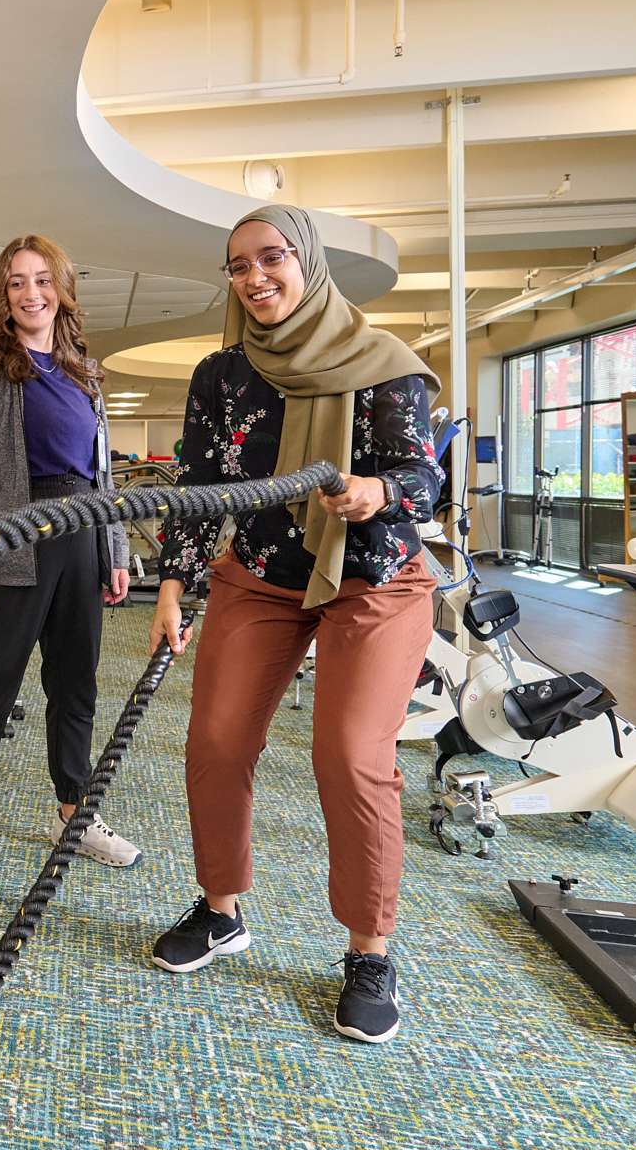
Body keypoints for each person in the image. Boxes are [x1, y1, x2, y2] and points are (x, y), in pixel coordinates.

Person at [147, 204, 441, 1043]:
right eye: (238, 265)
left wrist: (378, 492)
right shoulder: (223, 373)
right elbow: (200, 485)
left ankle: (369, 951)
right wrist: (176, 581)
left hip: (373, 576)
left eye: (271, 258)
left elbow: (426, 475)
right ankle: (221, 908)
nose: (255, 277)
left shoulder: (384, 364)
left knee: (349, 753)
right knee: (216, 739)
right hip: (266, 573)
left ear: (307, 261)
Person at [0, 236, 137, 916]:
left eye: (42, 280)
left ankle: (72, 815)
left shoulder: (85, 372)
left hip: (80, 541)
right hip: (11, 548)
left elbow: (101, 474)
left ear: (62, 289)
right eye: (16, 282)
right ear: (2, 294)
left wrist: (114, 549)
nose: (30, 293)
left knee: (75, 689)